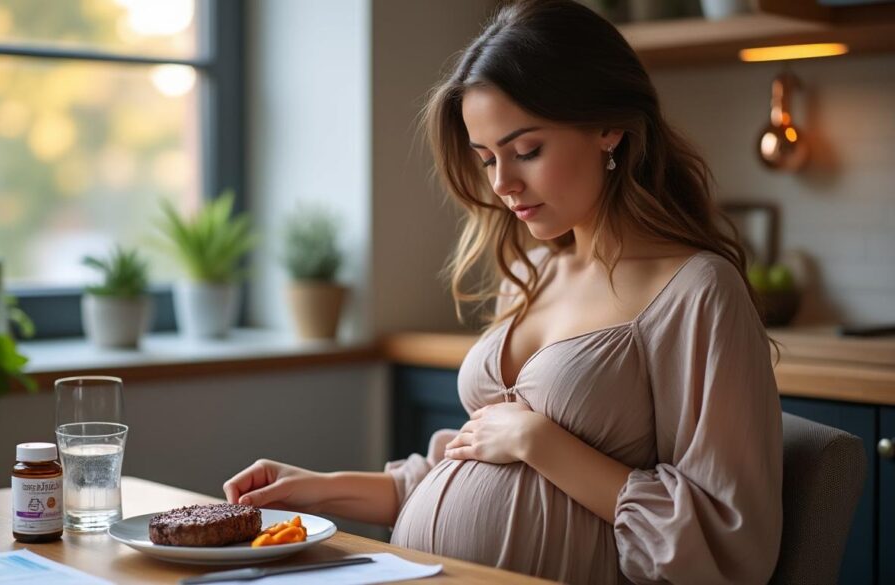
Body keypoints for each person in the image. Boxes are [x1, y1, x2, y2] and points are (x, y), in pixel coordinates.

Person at [224, 1, 783, 583]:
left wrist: (543, 442)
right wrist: (317, 488)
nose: (502, 184)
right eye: (487, 157)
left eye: (527, 151)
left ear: (608, 126)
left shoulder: (696, 292)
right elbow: (473, 462)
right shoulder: (538, 271)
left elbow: (729, 543)